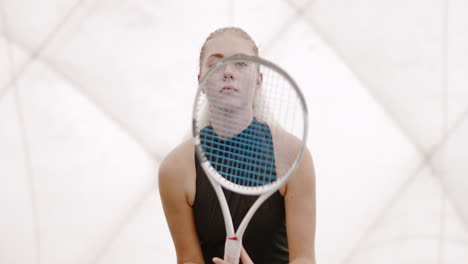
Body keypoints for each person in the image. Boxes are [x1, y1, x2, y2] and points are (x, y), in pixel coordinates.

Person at [158, 27, 316, 264]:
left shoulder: (293, 156)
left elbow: (303, 258)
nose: (228, 72)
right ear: (201, 81)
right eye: (216, 64)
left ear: (259, 80)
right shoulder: (175, 169)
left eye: (241, 64)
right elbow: (188, 259)